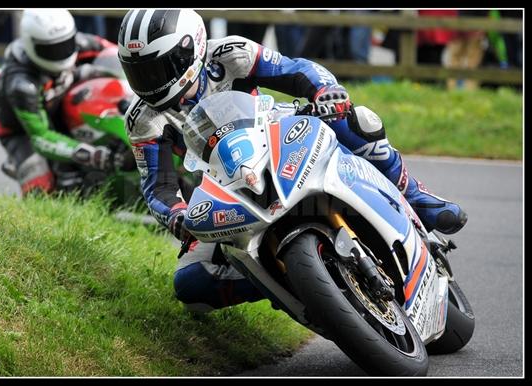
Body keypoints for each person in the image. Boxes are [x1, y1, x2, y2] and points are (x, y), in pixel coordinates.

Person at [116, 9, 468, 312]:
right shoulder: (142, 119)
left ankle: (415, 195)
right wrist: (179, 217)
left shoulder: (230, 53)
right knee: (190, 287)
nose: (149, 82)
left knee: (356, 119)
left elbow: (298, 71)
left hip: (276, 136)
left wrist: (324, 91)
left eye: (157, 68)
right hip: (221, 187)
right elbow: (158, 187)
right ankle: (286, 286)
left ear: (189, 50)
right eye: (139, 72)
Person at [0, 9, 117, 195]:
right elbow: (41, 137)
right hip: (23, 131)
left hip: (60, 105)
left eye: (65, 44)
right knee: (41, 188)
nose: (61, 53)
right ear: (32, 43)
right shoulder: (21, 84)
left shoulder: (77, 42)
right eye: (51, 49)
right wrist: (89, 154)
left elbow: (115, 53)